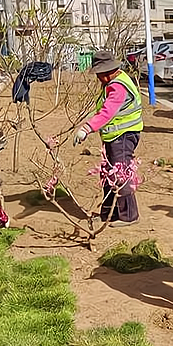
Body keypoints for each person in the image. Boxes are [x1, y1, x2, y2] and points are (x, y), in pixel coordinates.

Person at [74, 50, 144, 227]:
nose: (100, 78)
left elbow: (108, 112)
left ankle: (129, 215)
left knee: (120, 173)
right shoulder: (112, 82)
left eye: (102, 74)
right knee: (108, 173)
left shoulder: (118, 86)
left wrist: (87, 128)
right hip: (114, 136)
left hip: (124, 135)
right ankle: (108, 214)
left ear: (110, 71)